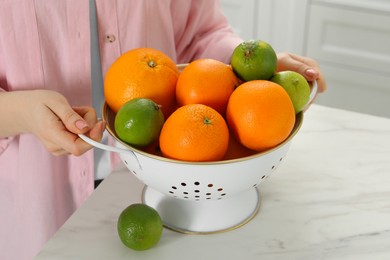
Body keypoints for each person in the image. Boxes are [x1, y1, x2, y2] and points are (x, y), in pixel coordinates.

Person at [0, 1, 326, 259]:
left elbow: (201, 33)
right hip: (37, 194)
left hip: (169, 174)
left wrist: (253, 71)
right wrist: (19, 112)